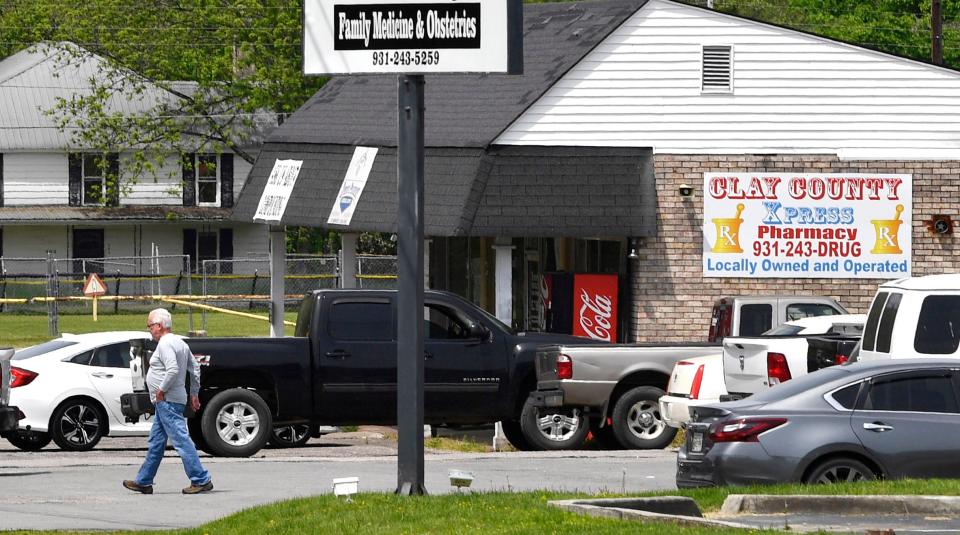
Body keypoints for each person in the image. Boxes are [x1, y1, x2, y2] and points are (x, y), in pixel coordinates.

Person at [123, 308, 212, 495]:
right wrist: (193, 394)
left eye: (150, 325)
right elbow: (195, 368)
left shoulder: (165, 345)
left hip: (167, 400)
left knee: (180, 439)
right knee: (156, 441)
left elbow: (171, 370)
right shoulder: (180, 343)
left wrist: (161, 390)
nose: (149, 329)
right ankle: (143, 481)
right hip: (171, 400)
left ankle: (201, 479)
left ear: (160, 325)